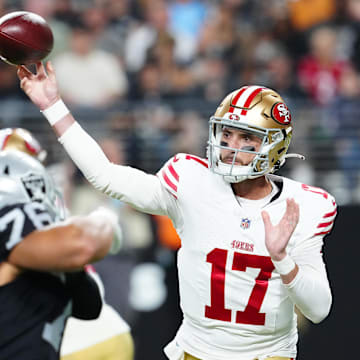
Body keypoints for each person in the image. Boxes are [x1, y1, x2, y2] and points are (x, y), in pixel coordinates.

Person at [17, 62, 337, 360]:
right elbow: (105, 175)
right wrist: (52, 105)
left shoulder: (303, 206)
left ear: (274, 146)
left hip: (266, 354)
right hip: (194, 351)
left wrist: (282, 258)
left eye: (246, 139)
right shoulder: (191, 182)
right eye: (227, 133)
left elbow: (319, 309)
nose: (230, 146)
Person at [0, 127, 134, 360]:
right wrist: (106, 219)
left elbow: (89, 305)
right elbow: (84, 244)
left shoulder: (44, 246)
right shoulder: (10, 218)